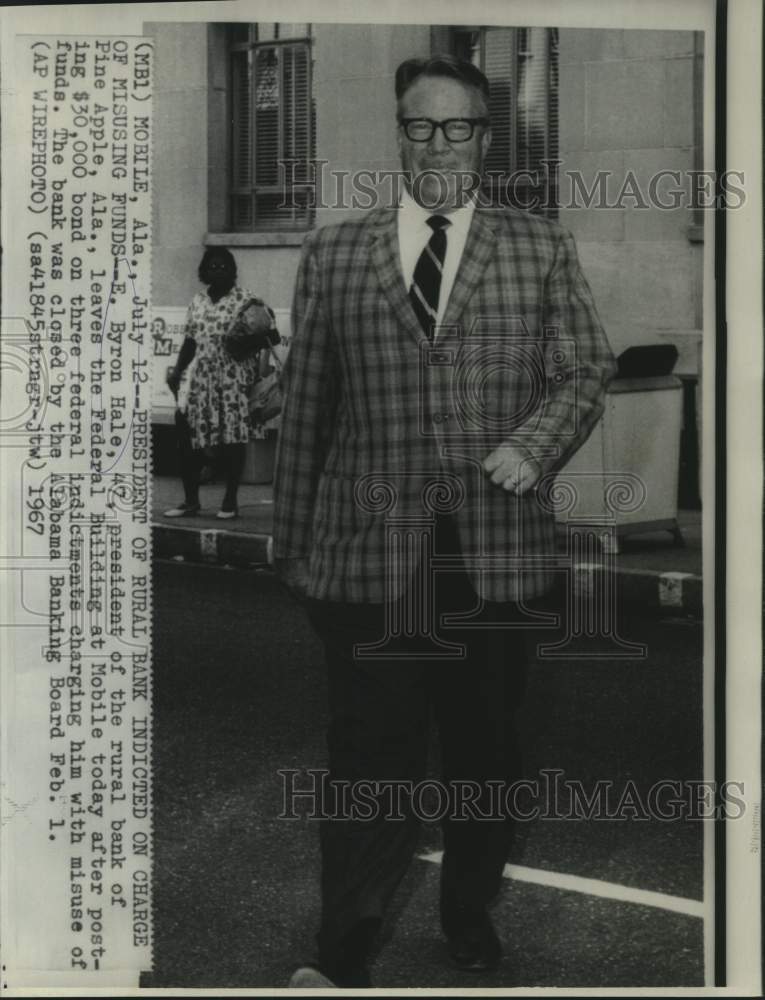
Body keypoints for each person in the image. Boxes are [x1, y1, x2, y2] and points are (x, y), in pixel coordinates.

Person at [273, 55, 617, 988]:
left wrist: (531, 446)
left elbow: (585, 370)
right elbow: (307, 408)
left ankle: (467, 908)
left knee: (484, 757)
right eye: (419, 128)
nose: (437, 146)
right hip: (369, 560)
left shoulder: (537, 245)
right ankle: (339, 958)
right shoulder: (336, 251)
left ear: (483, 137)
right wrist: (295, 551)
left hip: (494, 561)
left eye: (456, 128)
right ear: (398, 133)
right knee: (365, 766)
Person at [164, 247, 277, 520]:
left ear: (233, 270)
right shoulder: (198, 302)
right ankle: (190, 501)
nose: (218, 271)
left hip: (233, 382)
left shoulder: (247, 300)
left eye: (224, 266)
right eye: (212, 267)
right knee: (187, 437)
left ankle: (230, 501)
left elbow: (271, 336)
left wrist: (244, 342)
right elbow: (190, 341)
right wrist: (178, 371)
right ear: (204, 271)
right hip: (199, 380)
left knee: (233, 441)